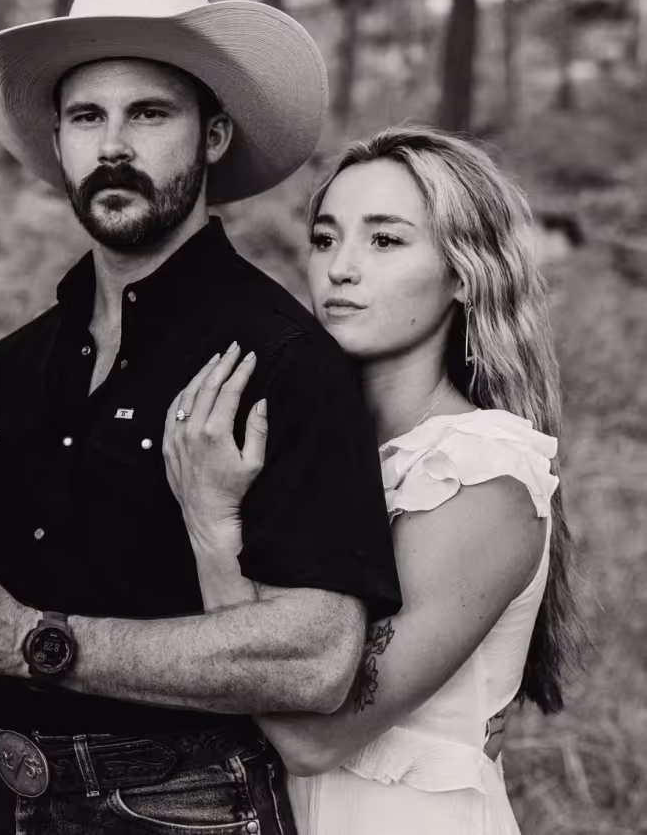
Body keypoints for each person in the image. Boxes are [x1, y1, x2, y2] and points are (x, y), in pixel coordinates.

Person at [0, 0, 402, 833]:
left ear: (213, 137)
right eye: (84, 116)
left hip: (180, 806)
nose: (112, 147)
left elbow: (318, 658)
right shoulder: (5, 369)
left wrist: (31, 640)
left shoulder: (282, 360)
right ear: (59, 142)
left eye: (149, 113)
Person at [167, 126, 578, 834]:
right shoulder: (304, 445)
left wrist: (211, 528)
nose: (341, 268)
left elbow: (311, 737)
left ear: (463, 272)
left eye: (385, 240)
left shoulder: (479, 477)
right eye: (326, 239)